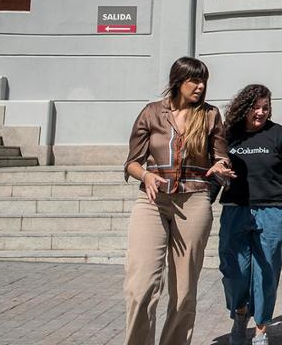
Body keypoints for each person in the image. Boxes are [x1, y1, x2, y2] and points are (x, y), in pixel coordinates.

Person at [123, 56, 234, 345]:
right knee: (141, 286)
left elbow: (221, 157)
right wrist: (145, 176)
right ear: (178, 82)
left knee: (184, 292)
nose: (200, 86)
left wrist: (220, 168)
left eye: (203, 81)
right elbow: (132, 163)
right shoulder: (151, 113)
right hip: (152, 201)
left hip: (195, 201)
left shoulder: (210, 115)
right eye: (194, 80)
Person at [217, 84, 282, 345]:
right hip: (235, 208)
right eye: (256, 107)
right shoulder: (228, 135)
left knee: (267, 270)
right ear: (244, 108)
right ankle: (240, 312)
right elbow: (214, 164)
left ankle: (261, 328)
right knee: (235, 270)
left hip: (273, 209)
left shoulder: (280, 134)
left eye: (266, 108)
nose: (261, 112)